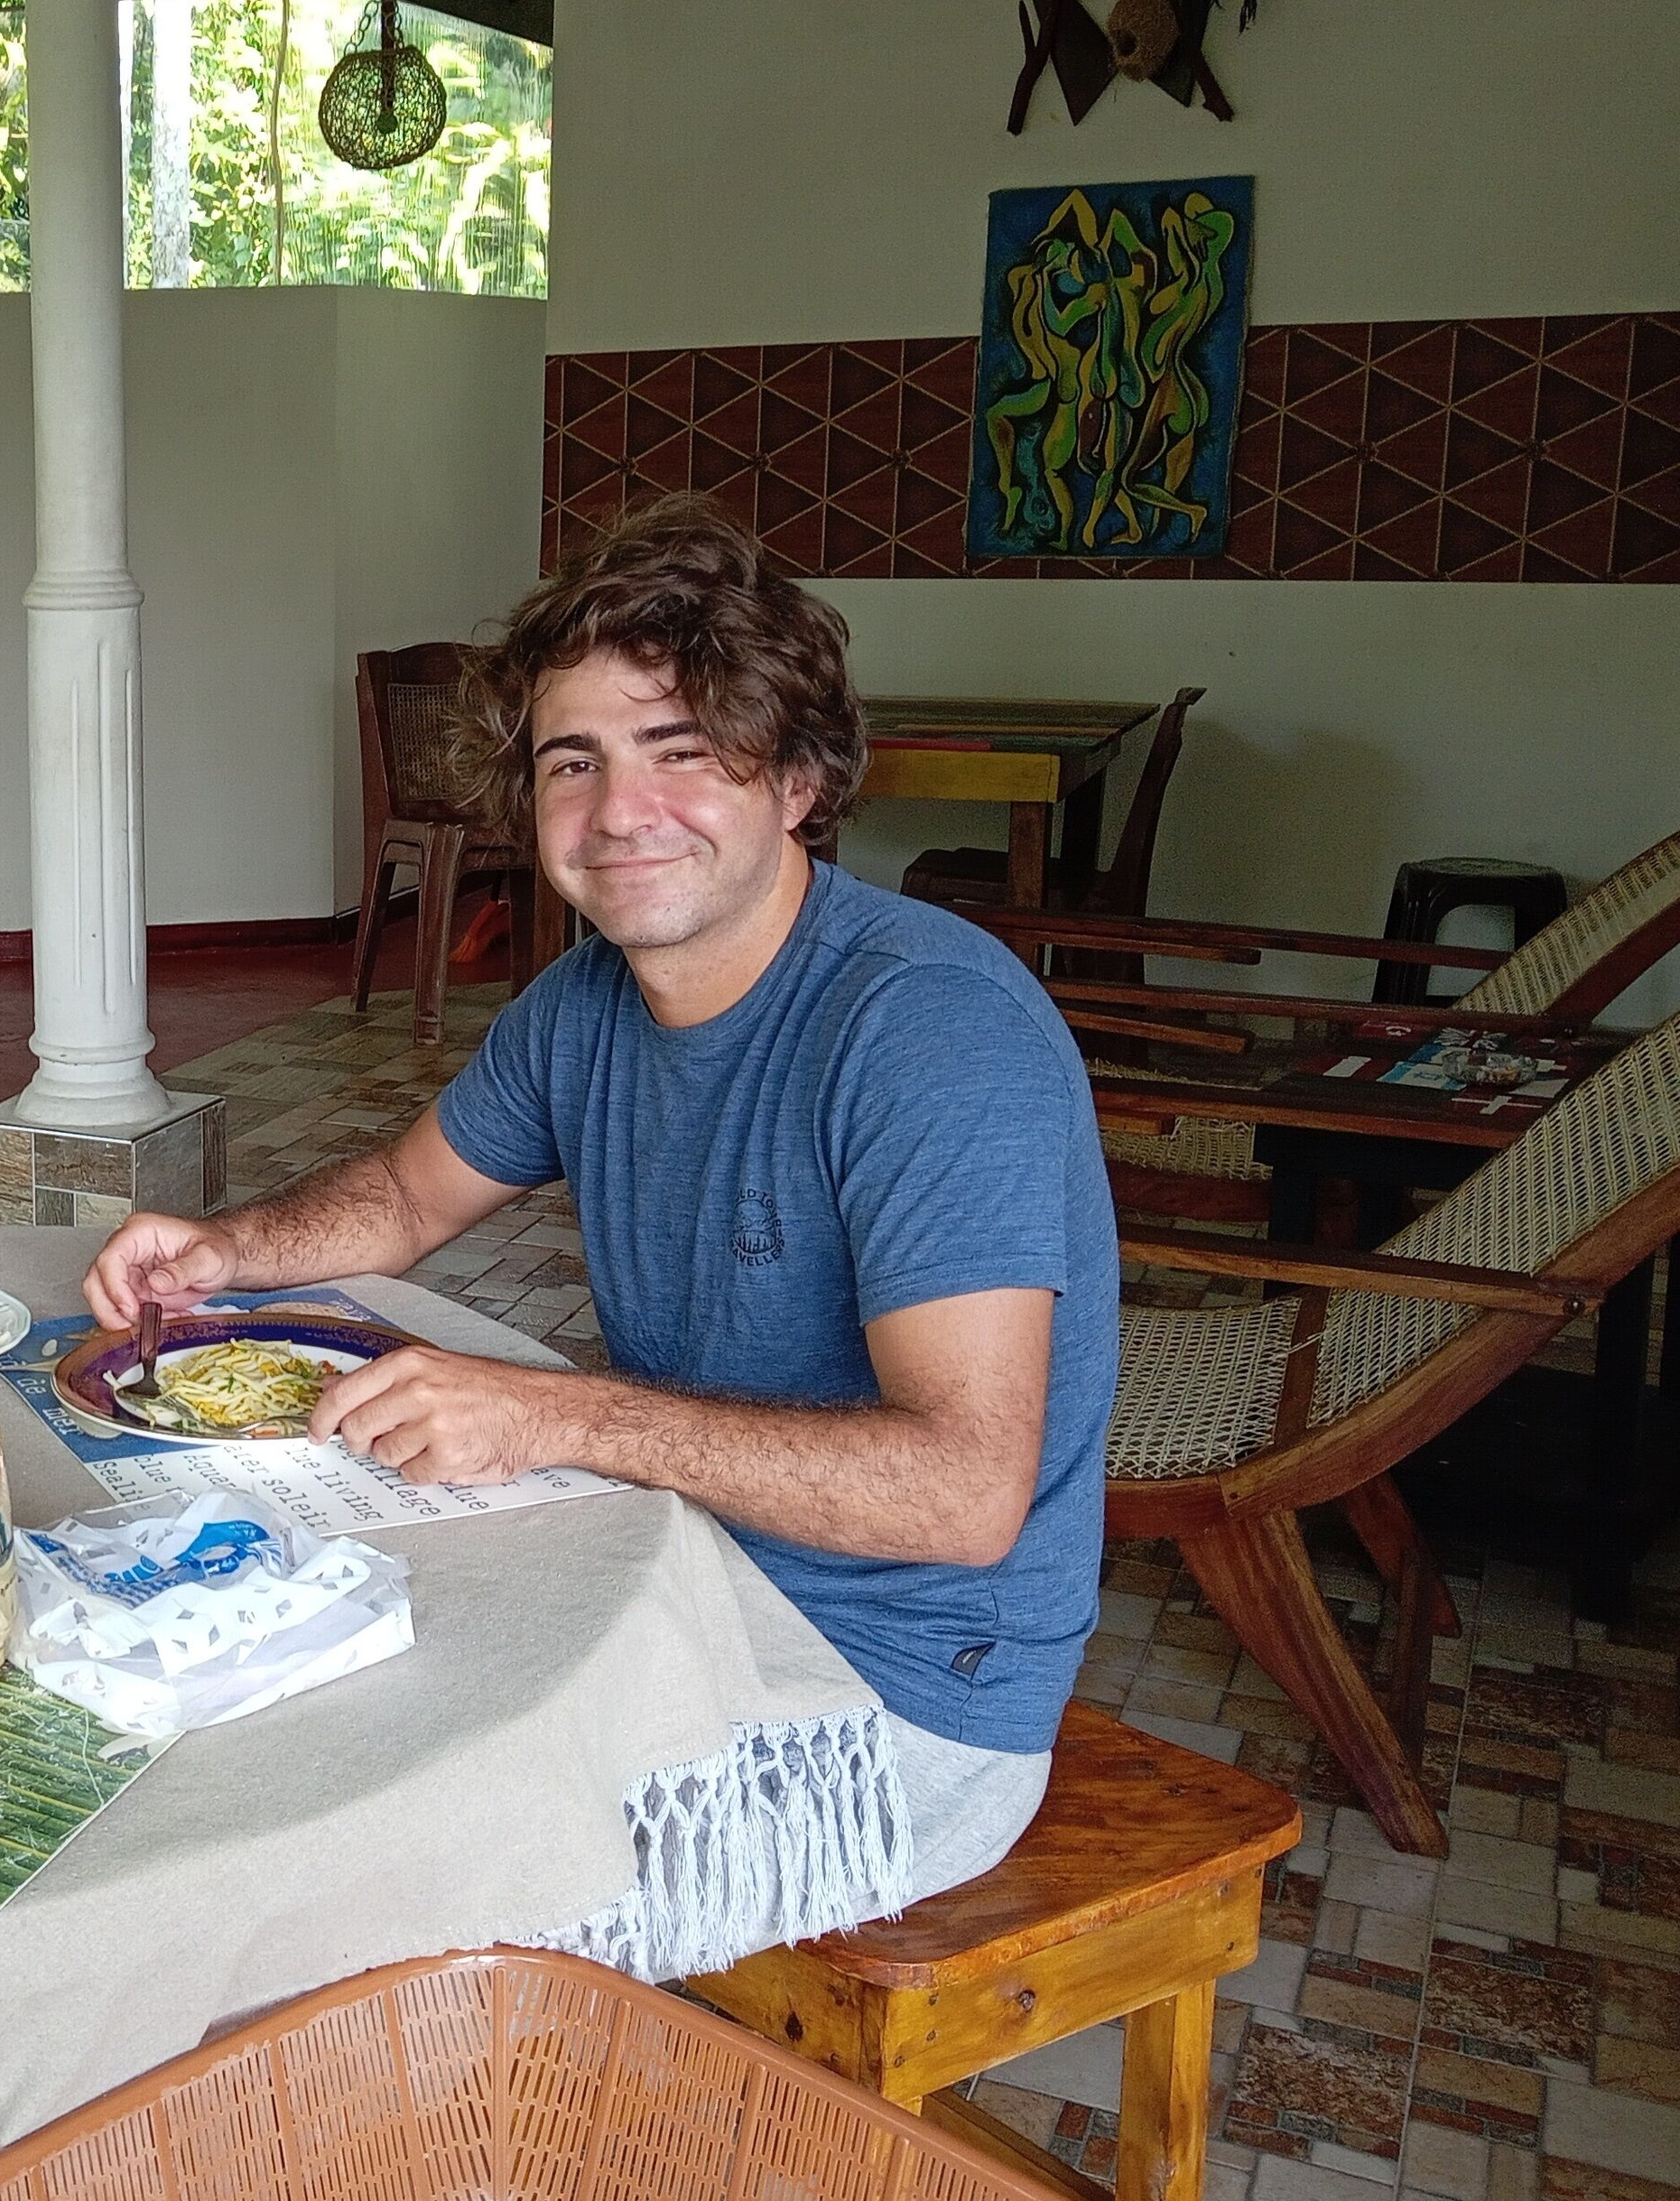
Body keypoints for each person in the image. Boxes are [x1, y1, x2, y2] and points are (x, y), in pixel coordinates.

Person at [84, 497, 1115, 1901]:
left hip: (893, 1706)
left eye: (680, 751)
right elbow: (403, 1195)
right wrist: (225, 1247)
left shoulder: (925, 1028)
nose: (621, 812)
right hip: (668, 1588)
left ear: (796, 781)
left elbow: (964, 1493)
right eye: (575, 762)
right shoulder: (584, 1006)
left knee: (351, 1877)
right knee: (223, 1716)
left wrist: (553, 1416)